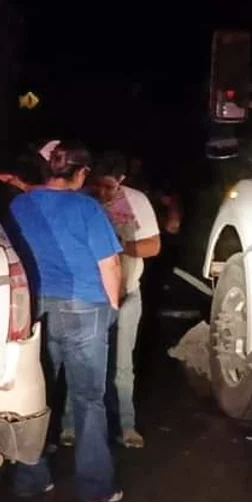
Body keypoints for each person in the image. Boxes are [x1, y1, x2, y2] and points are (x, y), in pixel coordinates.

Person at [6, 140, 125, 502]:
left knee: (34, 396)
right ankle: (94, 487)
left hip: (37, 307)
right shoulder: (87, 208)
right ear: (81, 172)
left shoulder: (19, 205)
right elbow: (110, 264)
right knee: (89, 399)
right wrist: (114, 306)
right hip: (85, 307)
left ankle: (30, 477)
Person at [85, 162, 160, 449]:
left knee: (122, 365)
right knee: (84, 365)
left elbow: (153, 246)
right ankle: (71, 426)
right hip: (92, 296)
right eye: (98, 186)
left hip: (127, 293)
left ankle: (126, 425)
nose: (103, 193)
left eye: (110, 187)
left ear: (122, 180)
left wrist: (118, 246)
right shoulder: (84, 200)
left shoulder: (136, 200)